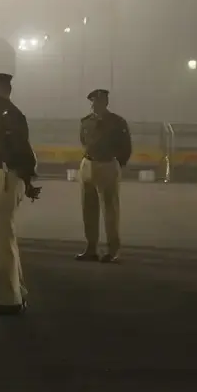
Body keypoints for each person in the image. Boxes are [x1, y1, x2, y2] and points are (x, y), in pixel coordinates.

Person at [0, 72, 41, 317]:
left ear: (2, 89)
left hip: (5, 176)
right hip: (0, 173)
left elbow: (22, 150)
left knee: (2, 237)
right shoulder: (0, 115)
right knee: (4, 235)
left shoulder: (10, 115)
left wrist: (25, 179)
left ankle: (10, 299)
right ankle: (18, 292)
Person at [77, 88, 131, 263]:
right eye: (92, 102)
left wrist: (116, 163)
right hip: (88, 164)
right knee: (88, 208)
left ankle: (113, 249)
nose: (94, 105)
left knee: (110, 210)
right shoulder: (85, 122)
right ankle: (91, 247)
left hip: (107, 164)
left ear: (106, 103)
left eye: (98, 101)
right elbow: (84, 141)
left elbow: (126, 146)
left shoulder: (117, 122)